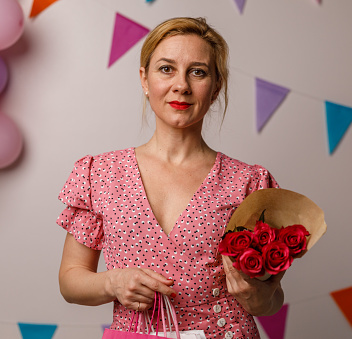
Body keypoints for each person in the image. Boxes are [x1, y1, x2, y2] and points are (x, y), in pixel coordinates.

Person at [57, 17, 284, 339]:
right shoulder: (98, 173)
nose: (182, 85)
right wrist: (113, 281)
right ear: (144, 79)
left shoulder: (250, 182)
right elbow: (70, 279)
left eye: (198, 71)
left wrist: (258, 297)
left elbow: (272, 299)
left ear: (216, 86)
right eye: (166, 69)